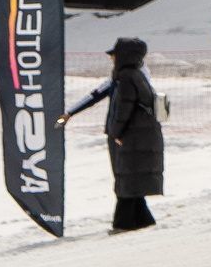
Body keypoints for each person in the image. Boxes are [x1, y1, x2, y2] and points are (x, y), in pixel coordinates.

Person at [64, 38, 164, 231]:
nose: (111, 57)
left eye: (114, 53)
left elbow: (124, 109)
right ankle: (143, 220)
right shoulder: (127, 76)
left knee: (126, 178)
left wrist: (116, 132)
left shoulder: (128, 77)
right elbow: (97, 94)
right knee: (129, 178)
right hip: (136, 135)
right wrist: (70, 113)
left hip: (131, 136)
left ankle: (123, 223)